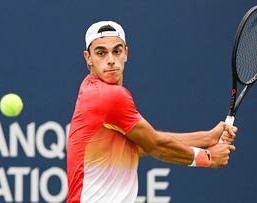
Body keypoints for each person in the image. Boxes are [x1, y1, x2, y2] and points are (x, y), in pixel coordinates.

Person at [67, 20, 238, 203]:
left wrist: (208, 138)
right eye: (101, 53)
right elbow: (155, 146)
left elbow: (141, 144)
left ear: (126, 53)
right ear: (88, 58)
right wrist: (209, 158)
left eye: (116, 51)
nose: (110, 59)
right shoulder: (109, 96)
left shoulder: (91, 90)